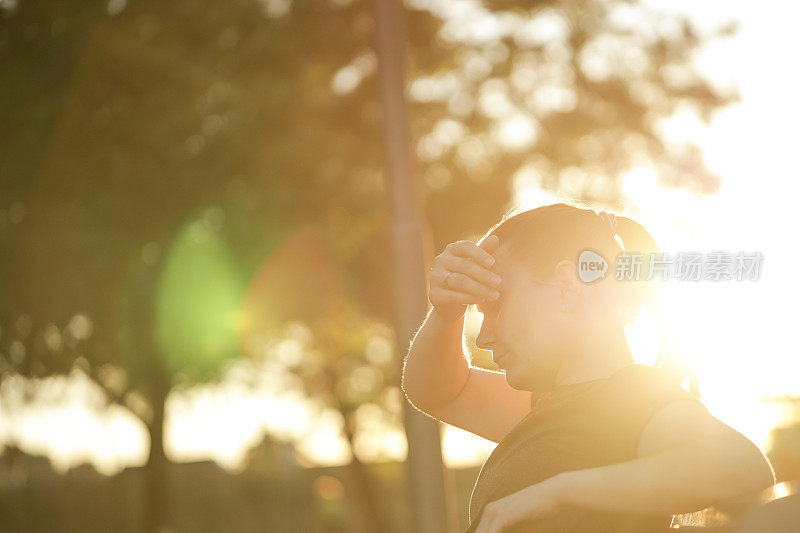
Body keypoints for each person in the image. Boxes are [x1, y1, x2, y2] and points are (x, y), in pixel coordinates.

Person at [401, 202, 775, 533]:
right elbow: (436, 391)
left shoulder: (628, 396)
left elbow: (740, 467)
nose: (482, 338)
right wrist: (447, 313)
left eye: (495, 306)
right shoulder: (551, 407)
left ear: (567, 286)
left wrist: (557, 492)